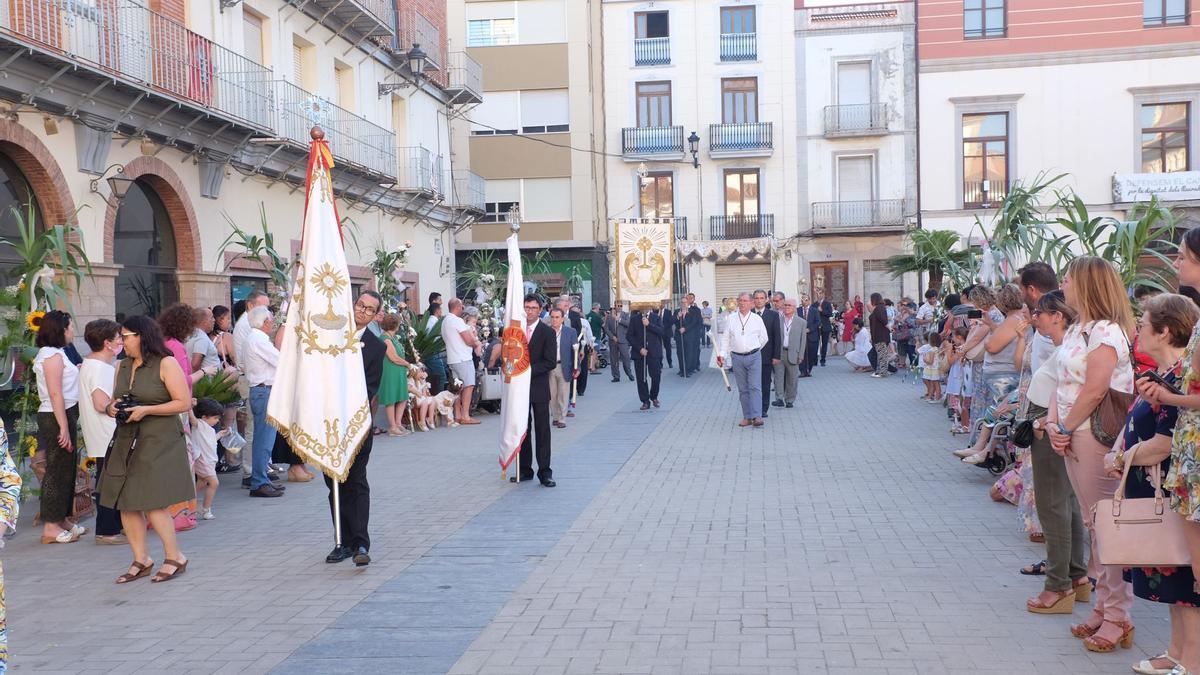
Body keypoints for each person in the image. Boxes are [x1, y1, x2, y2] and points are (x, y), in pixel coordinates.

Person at [1097, 294, 1199, 673]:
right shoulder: (1165, 377)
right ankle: (1176, 652)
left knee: (1185, 581)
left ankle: (1191, 660)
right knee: (1173, 583)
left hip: (1171, 492)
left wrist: (1121, 459)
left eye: (1143, 323)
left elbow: (1164, 443)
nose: (1138, 328)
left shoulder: (1180, 383)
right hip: (1156, 490)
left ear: (1165, 330)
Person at [1045, 256, 1136, 652]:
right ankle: (1104, 606)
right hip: (1072, 432)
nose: (1062, 284)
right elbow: (1059, 379)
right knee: (1094, 524)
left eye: (1067, 278)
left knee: (1106, 527)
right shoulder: (1080, 329)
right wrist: (1053, 422)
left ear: (1086, 285)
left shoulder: (1107, 333)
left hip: (1093, 435)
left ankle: (1118, 615)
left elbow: (1096, 389)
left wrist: (1064, 427)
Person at [1135, 233, 1200, 675]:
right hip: (1189, 464)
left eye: (1183, 256)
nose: (1176, 263)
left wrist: (1167, 397)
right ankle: (1183, 657)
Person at [100, 315, 193, 583]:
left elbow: (183, 402)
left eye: (125, 336)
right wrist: (111, 407)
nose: (121, 342)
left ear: (141, 336)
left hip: (159, 439)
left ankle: (175, 556)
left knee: (152, 500)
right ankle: (141, 558)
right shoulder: (122, 366)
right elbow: (115, 399)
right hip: (127, 438)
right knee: (126, 501)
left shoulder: (166, 362)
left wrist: (147, 410)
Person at [325, 291, 386, 567]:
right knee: (334, 483)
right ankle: (343, 540)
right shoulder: (330, 335)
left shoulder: (375, 347)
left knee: (356, 480)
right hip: (328, 423)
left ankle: (361, 541)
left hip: (357, 422)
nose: (362, 311)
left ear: (375, 316)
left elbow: (369, 388)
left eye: (369, 309)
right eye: (360, 305)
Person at [33, 310, 82, 545]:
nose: (72, 331)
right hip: (55, 416)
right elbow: (55, 393)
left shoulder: (59, 353)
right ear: (59, 330)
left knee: (67, 468)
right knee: (56, 470)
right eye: (69, 327)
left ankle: (61, 518)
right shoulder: (51, 355)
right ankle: (50, 525)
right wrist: (63, 426)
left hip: (65, 413)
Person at [79, 319, 124, 545]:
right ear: (107, 343)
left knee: (110, 481)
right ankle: (107, 530)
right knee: (110, 483)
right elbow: (101, 403)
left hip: (103, 434)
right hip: (107, 434)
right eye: (119, 338)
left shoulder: (93, 364)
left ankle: (114, 527)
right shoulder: (98, 368)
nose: (122, 342)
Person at [240, 306, 284, 498]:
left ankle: (262, 479)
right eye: (270, 320)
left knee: (263, 439)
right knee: (264, 440)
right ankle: (259, 481)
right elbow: (280, 360)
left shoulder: (255, 338)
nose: (272, 323)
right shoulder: (258, 339)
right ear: (264, 322)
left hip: (261, 390)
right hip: (263, 391)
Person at [520, 294, 556, 487]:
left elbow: (550, 362)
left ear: (540, 309)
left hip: (539, 388)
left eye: (533, 308)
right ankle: (525, 469)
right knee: (522, 429)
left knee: (542, 431)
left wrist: (528, 371)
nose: (529, 311)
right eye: (527, 307)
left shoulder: (546, 332)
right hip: (519, 390)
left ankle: (545, 472)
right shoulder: (516, 331)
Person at [718, 292, 768, 428]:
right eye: (740, 300)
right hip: (737, 358)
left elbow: (764, 338)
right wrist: (722, 355)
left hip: (754, 357)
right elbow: (726, 338)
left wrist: (754, 349)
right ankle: (747, 416)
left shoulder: (757, 319)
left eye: (745, 301)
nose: (742, 303)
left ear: (751, 303)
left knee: (755, 387)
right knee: (743, 389)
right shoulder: (731, 318)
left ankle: (757, 416)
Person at [441, 298, 481, 426]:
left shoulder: (445, 321)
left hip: (452, 358)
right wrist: (476, 343)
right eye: (462, 307)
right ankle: (465, 416)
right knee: (468, 386)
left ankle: (457, 415)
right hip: (463, 358)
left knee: (457, 388)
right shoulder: (456, 320)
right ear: (458, 307)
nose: (463, 310)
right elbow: (468, 340)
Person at [376, 313, 413, 436]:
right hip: (391, 370)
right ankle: (392, 427)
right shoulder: (385, 338)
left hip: (398, 371)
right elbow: (393, 357)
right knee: (391, 399)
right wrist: (408, 364)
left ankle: (398, 423)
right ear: (395, 325)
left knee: (402, 396)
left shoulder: (393, 338)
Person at [189, 398, 223, 521]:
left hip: (207, 460)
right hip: (203, 460)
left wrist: (219, 435)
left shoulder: (208, 428)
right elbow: (192, 419)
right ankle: (205, 509)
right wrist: (189, 407)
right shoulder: (199, 424)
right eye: (215, 418)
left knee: (202, 482)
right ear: (204, 417)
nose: (217, 420)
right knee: (214, 483)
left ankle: (190, 503)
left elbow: (210, 440)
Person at [627, 307, 664, 410]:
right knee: (641, 378)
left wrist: (649, 325)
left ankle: (654, 396)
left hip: (654, 352)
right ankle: (645, 401)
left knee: (656, 376)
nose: (644, 307)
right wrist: (639, 349)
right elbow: (629, 336)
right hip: (640, 353)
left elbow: (661, 331)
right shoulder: (634, 319)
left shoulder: (656, 317)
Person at [752, 290, 781, 417]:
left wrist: (776, 356)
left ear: (766, 300)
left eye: (761, 298)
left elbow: (777, 336)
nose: (759, 300)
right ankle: (753, 408)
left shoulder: (773, 315)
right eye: (756, 298)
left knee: (765, 383)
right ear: (753, 300)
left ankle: (764, 408)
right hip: (750, 355)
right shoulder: (748, 314)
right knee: (752, 384)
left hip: (766, 356)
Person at [547, 307, 577, 428]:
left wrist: (577, 368)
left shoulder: (570, 332)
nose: (554, 320)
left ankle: (562, 419)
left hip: (564, 366)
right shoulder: (546, 331)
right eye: (552, 317)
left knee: (563, 394)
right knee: (552, 394)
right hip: (550, 367)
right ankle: (555, 416)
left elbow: (576, 351)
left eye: (557, 317)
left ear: (562, 318)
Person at [773, 297, 805, 409]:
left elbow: (803, 340)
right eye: (785, 305)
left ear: (794, 308)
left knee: (792, 378)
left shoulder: (801, 322)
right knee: (778, 377)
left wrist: (801, 355)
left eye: (789, 305)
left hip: (793, 354)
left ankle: (790, 400)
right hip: (779, 353)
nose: (786, 307)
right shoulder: (778, 320)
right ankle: (779, 398)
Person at [187, 307, 221, 376]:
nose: (214, 320)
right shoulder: (201, 337)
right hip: (208, 383)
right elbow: (195, 364)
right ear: (204, 322)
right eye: (212, 318)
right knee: (233, 372)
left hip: (205, 381)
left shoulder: (193, 334)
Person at [605, 304, 633, 382]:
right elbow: (606, 328)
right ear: (615, 306)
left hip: (623, 340)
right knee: (614, 359)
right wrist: (612, 337)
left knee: (626, 357)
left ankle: (629, 372)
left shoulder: (626, 315)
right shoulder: (610, 316)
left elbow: (628, 324)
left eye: (621, 306)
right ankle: (616, 376)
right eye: (618, 306)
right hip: (613, 340)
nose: (620, 307)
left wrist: (618, 319)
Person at [868, 293, 891, 378]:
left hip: (880, 335)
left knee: (882, 355)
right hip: (879, 335)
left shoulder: (879, 308)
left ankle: (883, 372)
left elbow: (884, 320)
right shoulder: (879, 308)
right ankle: (881, 371)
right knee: (881, 354)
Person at [682, 293, 704, 374]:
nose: (690, 299)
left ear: (694, 299)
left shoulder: (696, 309)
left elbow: (699, 321)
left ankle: (696, 365)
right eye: (688, 297)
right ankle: (689, 366)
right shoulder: (683, 309)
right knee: (689, 351)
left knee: (696, 350)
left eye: (691, 298)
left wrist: (700, 331)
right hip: (687, 333)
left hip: (696, 333)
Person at [210, 305, 236, 371]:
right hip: (224, 376)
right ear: (220, 320)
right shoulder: (227, 336)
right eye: (228, 318)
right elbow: (234, 357)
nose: (229, 321)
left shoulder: (208, 335)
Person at [802, 296, 821, 378]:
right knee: (802, 354)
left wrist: (809, 329)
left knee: (811, 354)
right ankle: (802, 371)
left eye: (806, 300)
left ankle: (808, 370)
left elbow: (818, 322)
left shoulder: (814, 310)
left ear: (809, 301)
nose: (804, 301)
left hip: (812, 336)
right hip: (801, 336)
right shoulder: (797, 310)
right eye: (802, 300)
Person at [659, 299, 676, 370]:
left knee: (668, 348)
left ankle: (670, 362)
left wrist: (663, 327)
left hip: (666, 332)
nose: (661, 305)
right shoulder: (655, 312)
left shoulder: (668, 312)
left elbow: (671, 322)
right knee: (658, 349)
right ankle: (660, 364)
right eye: (660, 304)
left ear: (664, 304)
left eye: (662, 303)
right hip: (658, 333)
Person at [818, 292, 834, 366]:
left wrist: (822, 311)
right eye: (818, 294)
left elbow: (830, 313)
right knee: (815, 343)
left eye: (821, 293)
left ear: (823, 294)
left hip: (825, 326)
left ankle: (823, 360)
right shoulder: (815, 304)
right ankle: (814, 359)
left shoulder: (827, 303)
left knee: (824, 344)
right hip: (816, 326)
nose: (819, 295)